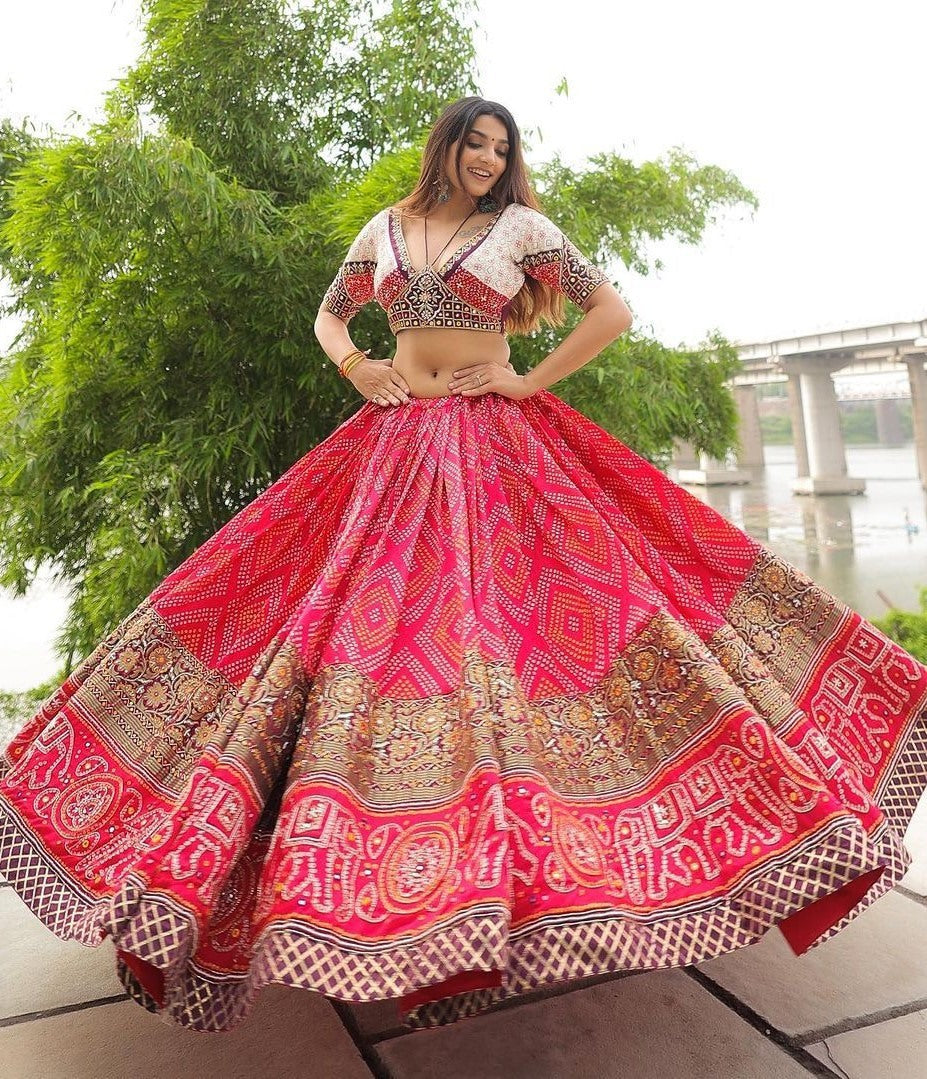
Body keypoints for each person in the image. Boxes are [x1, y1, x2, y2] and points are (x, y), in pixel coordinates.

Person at [1, 95, 925, 1036]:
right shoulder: (387, 229)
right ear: (443, 146)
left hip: (497, 443)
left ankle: (535, 880)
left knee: (539, 623)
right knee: (328, 618)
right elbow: (331, 314)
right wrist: (356, 367)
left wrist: (525, 378)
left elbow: (612, 308)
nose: (488, 157)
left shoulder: (520, 226)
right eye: (474, 142)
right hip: (393, 442)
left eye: (501, 146)